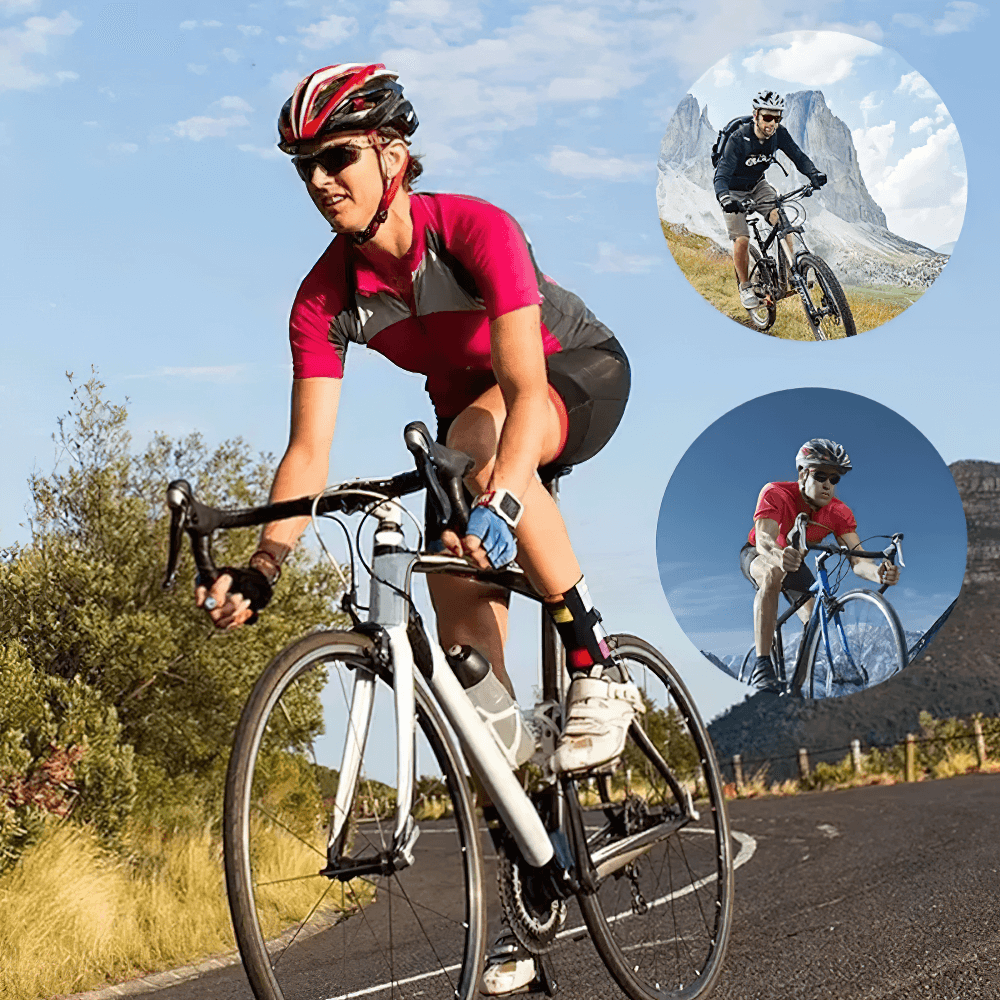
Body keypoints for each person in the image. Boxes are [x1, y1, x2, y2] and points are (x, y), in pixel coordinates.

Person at [193, 62, 640, 995]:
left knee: (478, 453)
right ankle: (534, 869)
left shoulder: (473, 229)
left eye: (337, 157)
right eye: (304, 167)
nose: (320, 180)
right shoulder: (323, 299)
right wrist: (265, 565)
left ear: (392, 154)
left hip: (569, 374)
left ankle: (596, 665)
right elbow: (307, 452)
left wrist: (504, 498)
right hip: (461, 428)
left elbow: (522, 393)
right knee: (467, 666)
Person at [739, 438, 901, 693]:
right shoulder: (776, 493)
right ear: (803, 474)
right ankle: (762, 666)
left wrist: (879, 573)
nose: (828, 484)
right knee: (772, 574)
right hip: (761, 555)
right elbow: (764, 540)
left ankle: (796, 687)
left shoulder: (839, 512)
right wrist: (779, 556)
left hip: (795, 563)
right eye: (820, 476)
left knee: (815, 616)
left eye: (834, 479)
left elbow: (859, 560)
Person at [713, 90, 828, 310]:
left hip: (758, 185)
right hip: (733, 191)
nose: (772, 123)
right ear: (755, 115)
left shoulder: (779, 134)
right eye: (767, 117)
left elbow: (797, 156)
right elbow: (721, 175)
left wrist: (813, 174)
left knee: (783, 222)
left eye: (777, 118)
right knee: (742, 239)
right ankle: (745, 287)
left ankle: (791, 276)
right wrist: (725, 198)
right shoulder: (738, 138)